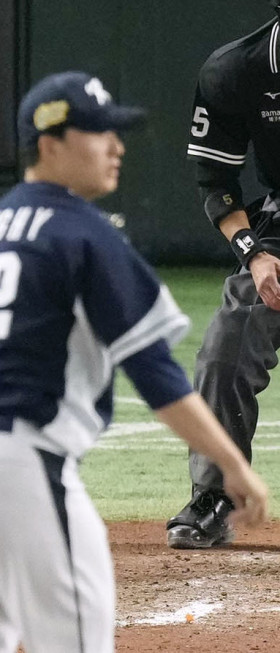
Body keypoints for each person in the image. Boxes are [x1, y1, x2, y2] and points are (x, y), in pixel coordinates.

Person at [0, 71, 270, 652]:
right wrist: (233, 466)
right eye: (99, 133)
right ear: (51, 145)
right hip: (15, 473)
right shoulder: (85, 235)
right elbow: (159, 378)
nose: (116, 147)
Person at [167, 5, 280, 549]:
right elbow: (218, 183)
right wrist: (254, 254)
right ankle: (216, 497)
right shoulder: (236, 71)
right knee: (227, 345)